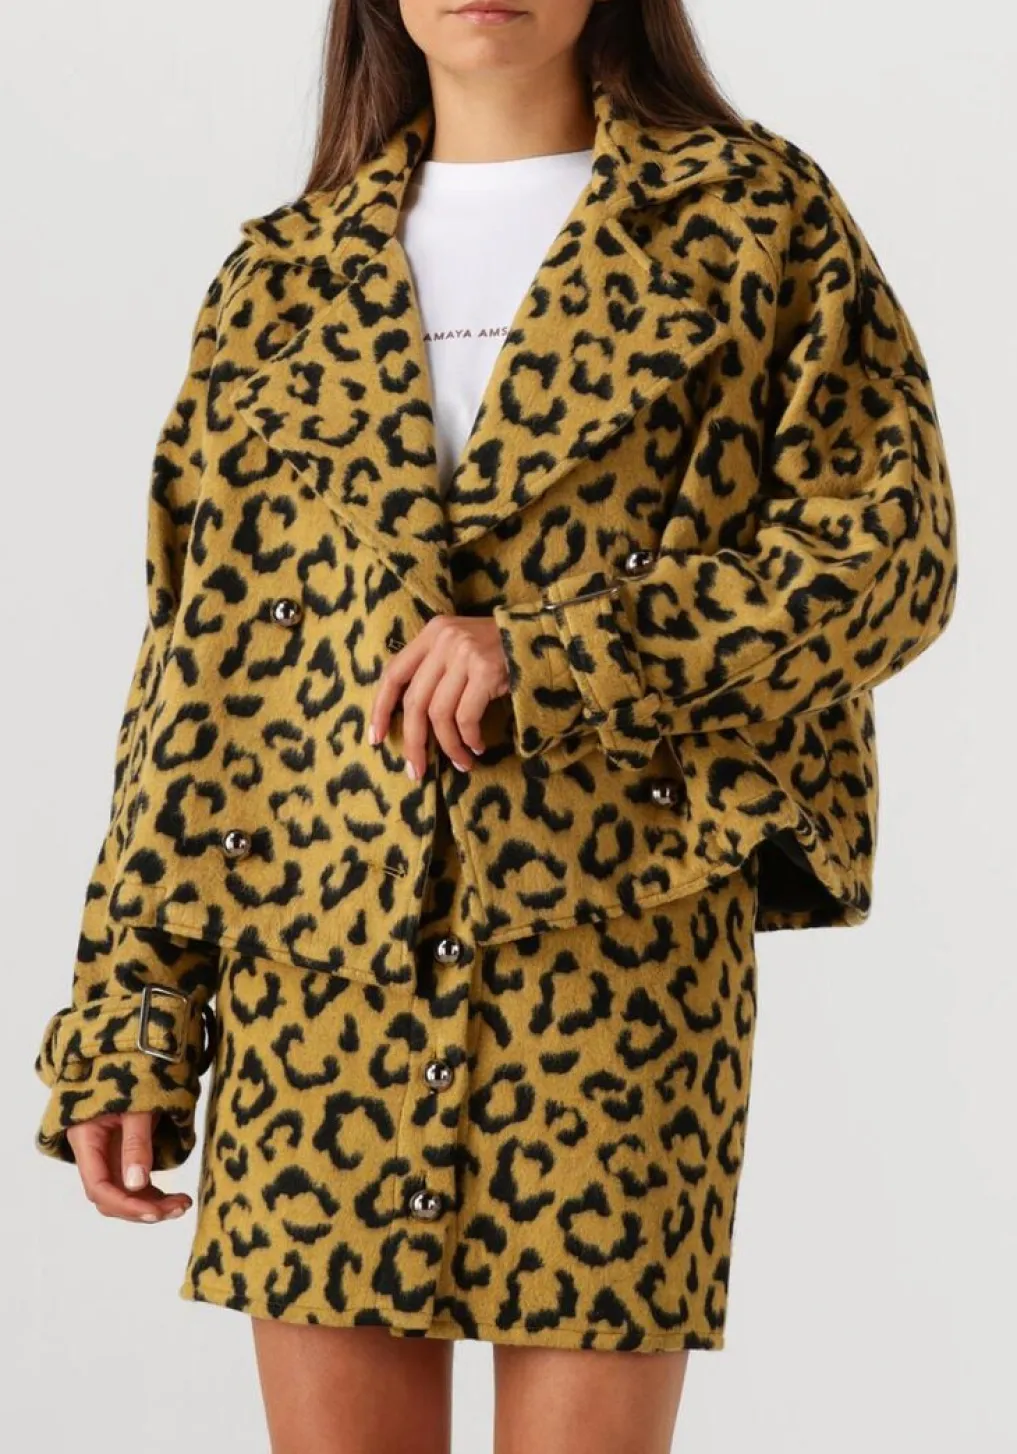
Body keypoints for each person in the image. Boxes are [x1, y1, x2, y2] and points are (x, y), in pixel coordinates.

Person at [32, 1, 959, 1450]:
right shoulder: (280, 280)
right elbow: (197, 679)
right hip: (316, 974)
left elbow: (888, 560)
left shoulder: (754, 224)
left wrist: (563, 652)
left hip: (619, 962)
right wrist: (131, 1015)